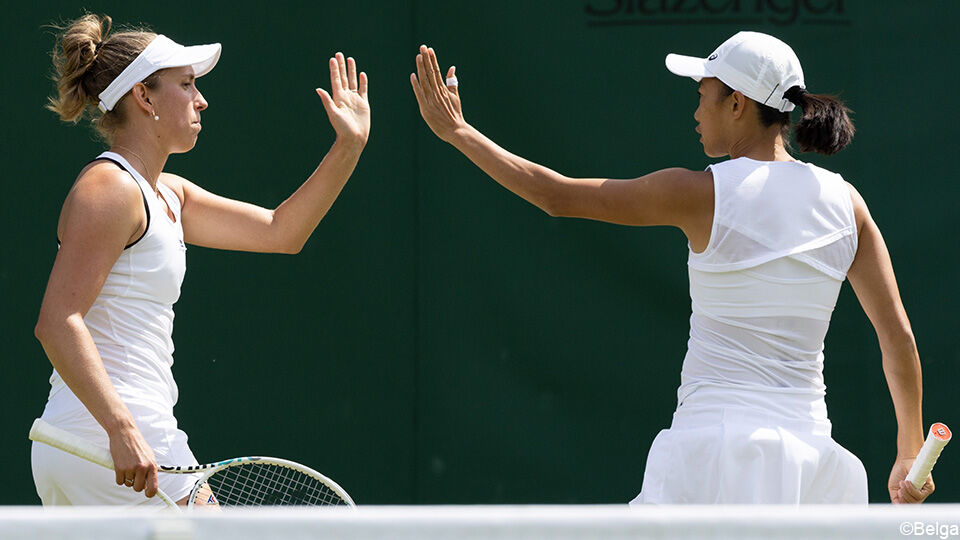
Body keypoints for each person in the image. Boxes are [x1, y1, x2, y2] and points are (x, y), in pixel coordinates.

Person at [410, 32, 932, 504]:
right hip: (811, 467)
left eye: (703, 94)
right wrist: (909, 452)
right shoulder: (848, 205)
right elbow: (899, 338)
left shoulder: (701, 193)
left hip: (714, 453)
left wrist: (458, 132)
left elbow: (555, 195)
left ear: (736, 103)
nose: (697, 110)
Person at [32, 13, 370, 506]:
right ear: (144, 97)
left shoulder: (169, 194)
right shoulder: (110, 188)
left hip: (87, 445)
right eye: (187, 84)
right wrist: (121, 428)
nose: (201, 99)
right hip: (117, 439)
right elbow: (58, 321)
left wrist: (349, 146)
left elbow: (282, 231)